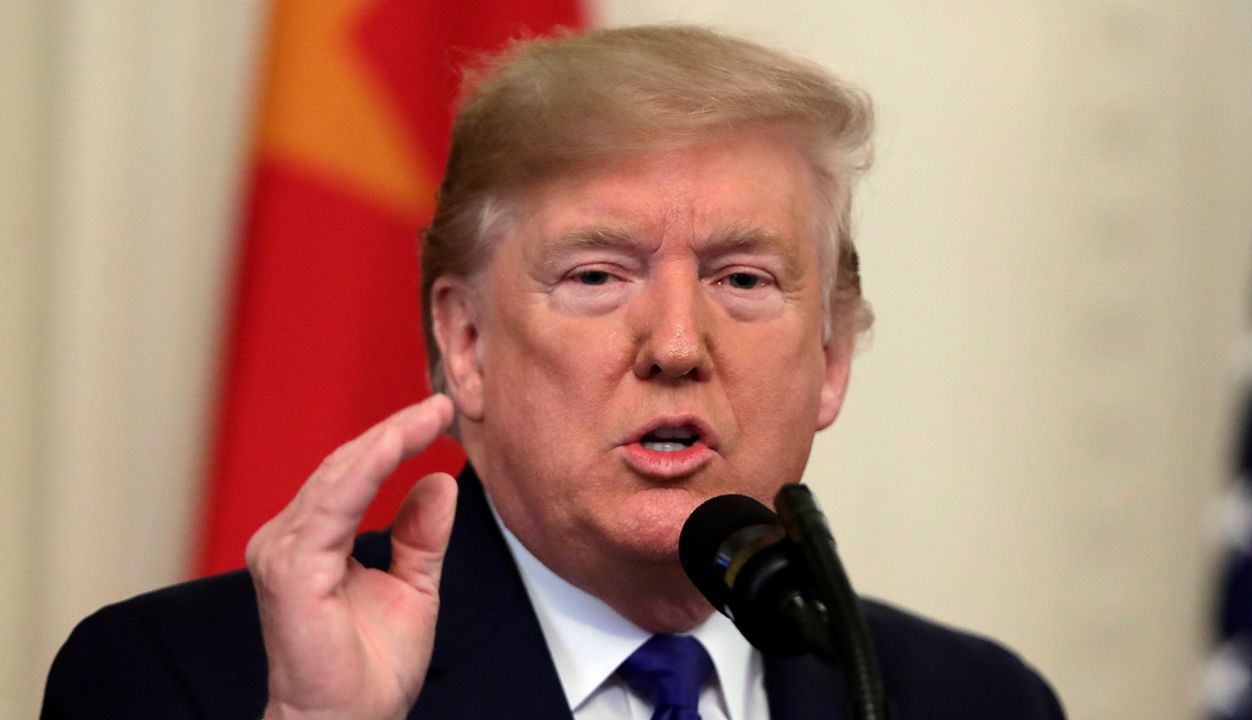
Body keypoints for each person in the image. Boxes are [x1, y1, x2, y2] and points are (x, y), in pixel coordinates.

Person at [42, 25, 1065, 720]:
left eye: (742, 278)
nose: (674, 342)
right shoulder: (183, 679)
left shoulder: (968, 700)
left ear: (831, 359)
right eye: (595, 275)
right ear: (467, 343)